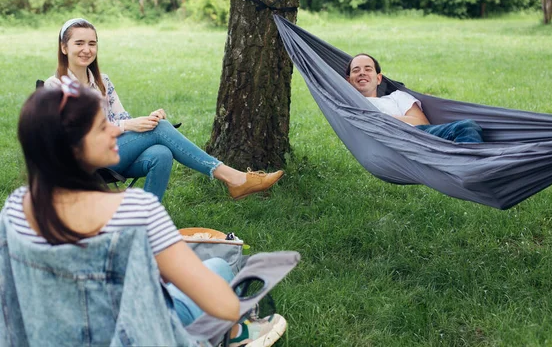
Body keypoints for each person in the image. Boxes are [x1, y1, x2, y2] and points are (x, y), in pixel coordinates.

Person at [2, 82, 287, 346]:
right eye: (102, 128)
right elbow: (221, 306)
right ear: (71, 146)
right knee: (220, 269)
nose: (116, 130)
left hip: (51, 336)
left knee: (161, 152)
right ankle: (238, 335)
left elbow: (10, 297)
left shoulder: (16, 208)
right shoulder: (136, 209)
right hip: (131, 337)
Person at [46, 18, 284, 202]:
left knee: (161, 152)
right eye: (79, 43)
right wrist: (129, 126)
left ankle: (146, 226)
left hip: (113, 153)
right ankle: (233, 178)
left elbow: (122, 118)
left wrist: (145, 121)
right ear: (64, 48)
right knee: (160, 129)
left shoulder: (101, 81)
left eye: (92, 43)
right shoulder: (55, 86)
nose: (86, 49)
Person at [346, 54, 484, 143]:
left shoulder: (397, 96)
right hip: (391, 145)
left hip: (419, 138)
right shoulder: (349, 106)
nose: (362, 73)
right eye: (356, 70)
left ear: (379, 79)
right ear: (348, 81)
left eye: (368, 69)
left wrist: (381, 118)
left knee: (467, 127)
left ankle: (469, 168)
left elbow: (421, 122)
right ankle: (470, 169)